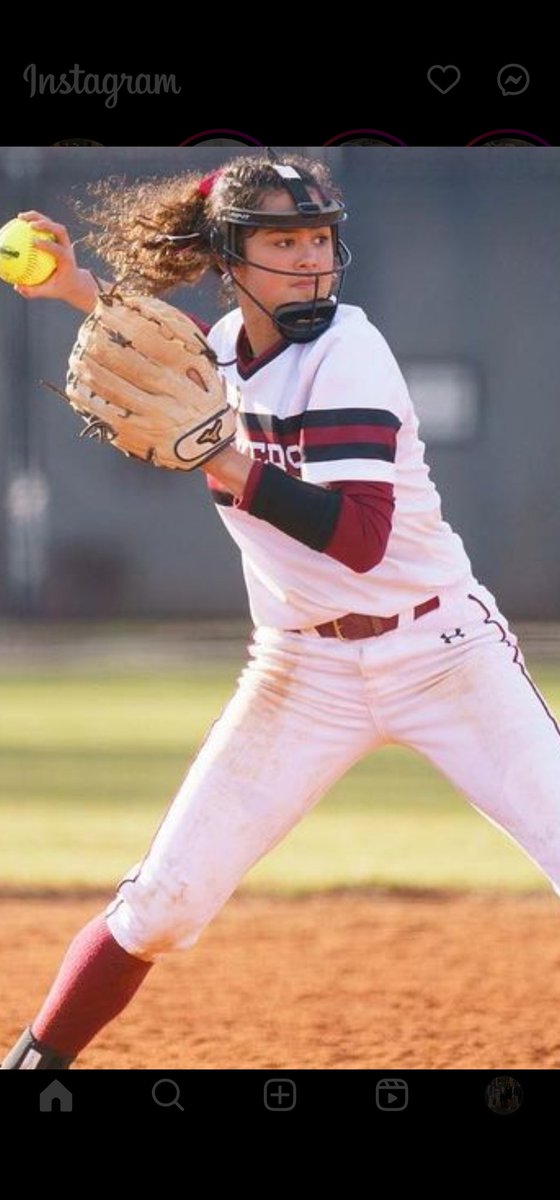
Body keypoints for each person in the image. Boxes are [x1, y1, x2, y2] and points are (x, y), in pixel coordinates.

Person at [2, 151, 559, 1070]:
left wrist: (221, 461)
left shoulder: (351, 351)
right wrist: (72, 288)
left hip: (444, 652)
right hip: (301, 672)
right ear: (231, 258)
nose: (309, 259)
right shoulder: (217, 351)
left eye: (318, 237)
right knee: (163, 905)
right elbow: (160, 346)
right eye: (281, 241)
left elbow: (359, 539)